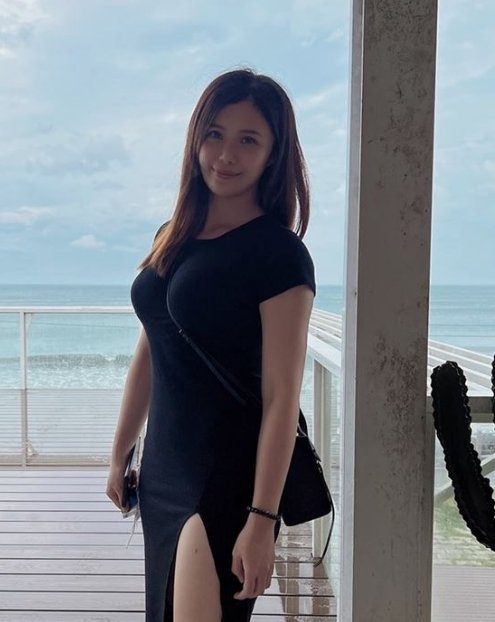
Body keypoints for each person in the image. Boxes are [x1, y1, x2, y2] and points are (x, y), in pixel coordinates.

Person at [106, 67, 316, 622]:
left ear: (273, 154)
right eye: (215, 134)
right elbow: (151, 347)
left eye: (249, 140)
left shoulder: (279, 255)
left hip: (224, 475)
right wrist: (120, 450)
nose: (226, 155)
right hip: (163, 467)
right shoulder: (171, 234)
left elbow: (281, 397)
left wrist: (262, 519)